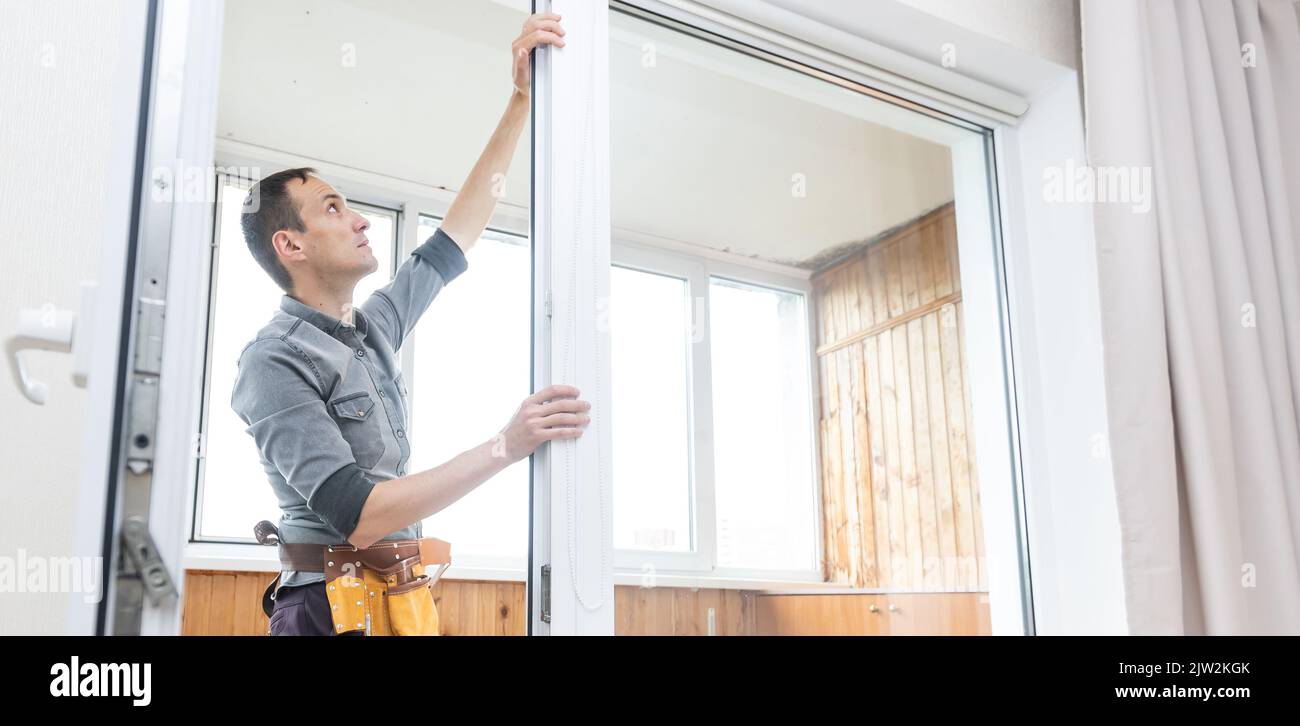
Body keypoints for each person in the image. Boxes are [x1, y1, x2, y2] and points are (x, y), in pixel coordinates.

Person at [230, 12, 585, 635]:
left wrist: (522, 98)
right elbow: (358, 514)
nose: (360, 220)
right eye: (334, 208)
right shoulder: (272, 361)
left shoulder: (372, 329)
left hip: (397, 599)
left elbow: (457, 235)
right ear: (291, 245)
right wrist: (509, 444)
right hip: (324, 610)